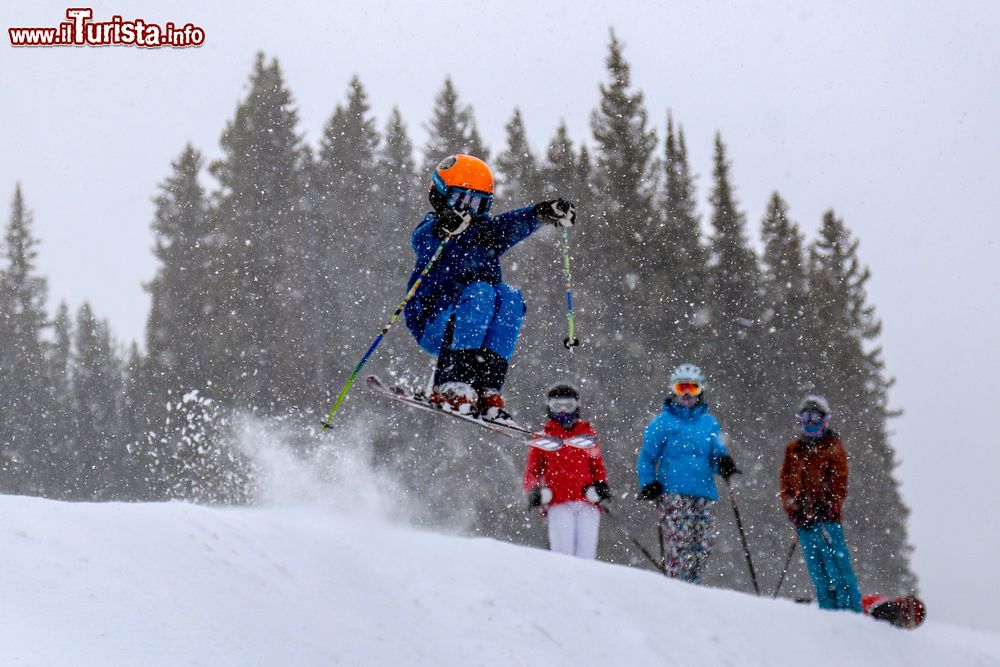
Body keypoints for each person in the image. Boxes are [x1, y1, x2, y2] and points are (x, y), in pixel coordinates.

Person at [403, 154, 575, 421]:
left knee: (510, 298)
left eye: (477, 203)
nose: (468, 210)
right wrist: (444, 228)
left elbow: (511, 225)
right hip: (435, 322)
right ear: (440, 196)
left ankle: (486, 387)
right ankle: (449, 384)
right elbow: (423, 240)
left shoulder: (485, 234)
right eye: (461, 200)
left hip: (476, 327)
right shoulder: (434, 229)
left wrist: (542, 213)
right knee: (482, 291)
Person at [636, 363, 739, 582]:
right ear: (672, 390)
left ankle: (693, 582)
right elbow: (647, 456)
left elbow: (715, 454)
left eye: (691, 389)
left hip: (703, 492)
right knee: (679, 542)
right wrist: (648, 482)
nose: (685, 395)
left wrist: (724, 463)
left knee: (704, 542)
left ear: (700, 391)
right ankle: (677, 583)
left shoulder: (708, 423)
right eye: (680, 388)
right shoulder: (662, 423)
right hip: (673, 492)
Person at [779, 395, 863, 612]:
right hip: (805, 522)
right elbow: (786, 484)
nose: (809, 423)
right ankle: (828, 610)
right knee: (817, 570)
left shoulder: (832, 447)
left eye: (814, 418)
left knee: (838, 568)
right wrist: (794, 510)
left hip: (828, 521)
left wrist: (827, 506)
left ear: (824, 420)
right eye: (805, 418)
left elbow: (839, 483)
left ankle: (850, 609)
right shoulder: (793, 450)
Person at [523, 384, 611, 559]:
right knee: (563, 554)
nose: (563, 411)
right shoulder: (544, 438)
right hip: (558, 502)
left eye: (568, 405)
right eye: (557, 406)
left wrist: (601, 486)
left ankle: (586, 583)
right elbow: (532, 471)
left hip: (586, 501)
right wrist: (535, 491)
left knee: (586, 554)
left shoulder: (586, 434)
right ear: (549, 407)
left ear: (576, 407)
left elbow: (597, 466)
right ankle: (565, 583)